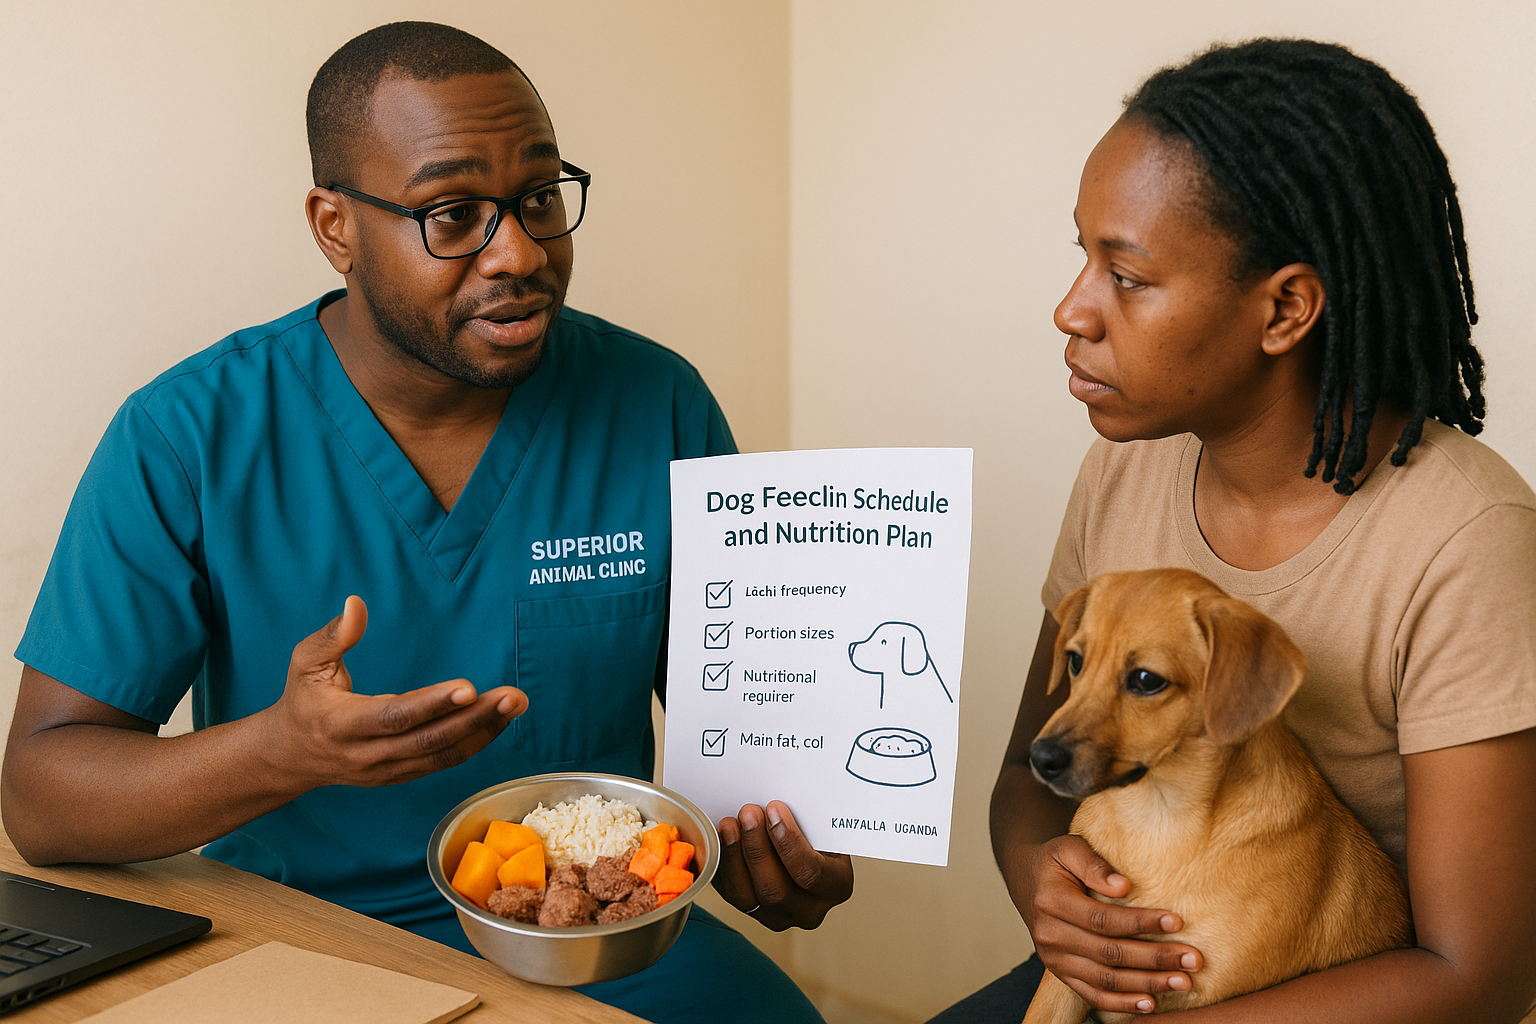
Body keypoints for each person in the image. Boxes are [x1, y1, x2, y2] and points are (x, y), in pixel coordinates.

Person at [0, 22, 850, 1023]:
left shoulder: (656, 402)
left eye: (540, 198)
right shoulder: (189, 435)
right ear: (335, 227)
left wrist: (783, 845)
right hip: (294, 938)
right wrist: (280, 751)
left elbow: (758, 746)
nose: (521, 252)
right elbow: (43, 798)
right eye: (453, 215)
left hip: (595, 944)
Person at [931, 38, 1536, 1023]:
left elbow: (1478, 975)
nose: (1071, 309)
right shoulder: (1122, 467)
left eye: (1125, 275)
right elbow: (1029, 775)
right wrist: (1051, 890)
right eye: (1081, 254)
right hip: (1149, 972)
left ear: (1287, 307)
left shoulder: (1468, 537)